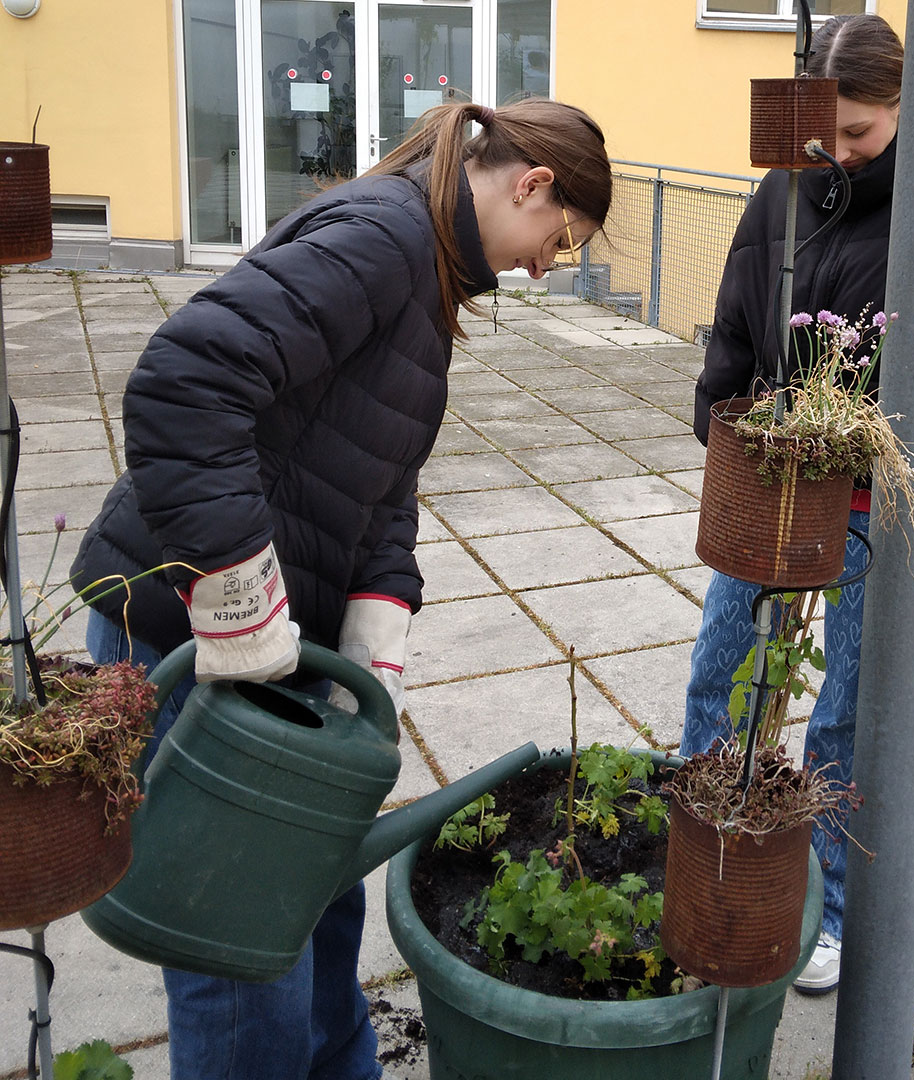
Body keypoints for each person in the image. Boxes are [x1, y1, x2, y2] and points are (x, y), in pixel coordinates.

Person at [70, 97, 611, 1080]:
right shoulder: (385, 238)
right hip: (191, 635)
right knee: (236, 953)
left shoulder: (428, 269)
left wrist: (382, 612)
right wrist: (238, 593)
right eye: (554, 241)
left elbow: (382, 472)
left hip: (283, 654)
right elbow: (184, 382)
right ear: (532, 184)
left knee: (319, 904)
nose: (541, 267)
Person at [683, 13, 914, 995]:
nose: (836, 152)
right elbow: (742, 301)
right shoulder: (787, 178)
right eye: (825, 133)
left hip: (881, 503)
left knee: (846, 716)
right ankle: (706, 859)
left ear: (909, 108)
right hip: (775, 486)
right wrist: (721, 420)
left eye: (860, 135)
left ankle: (829, 909)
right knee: (724, 676)